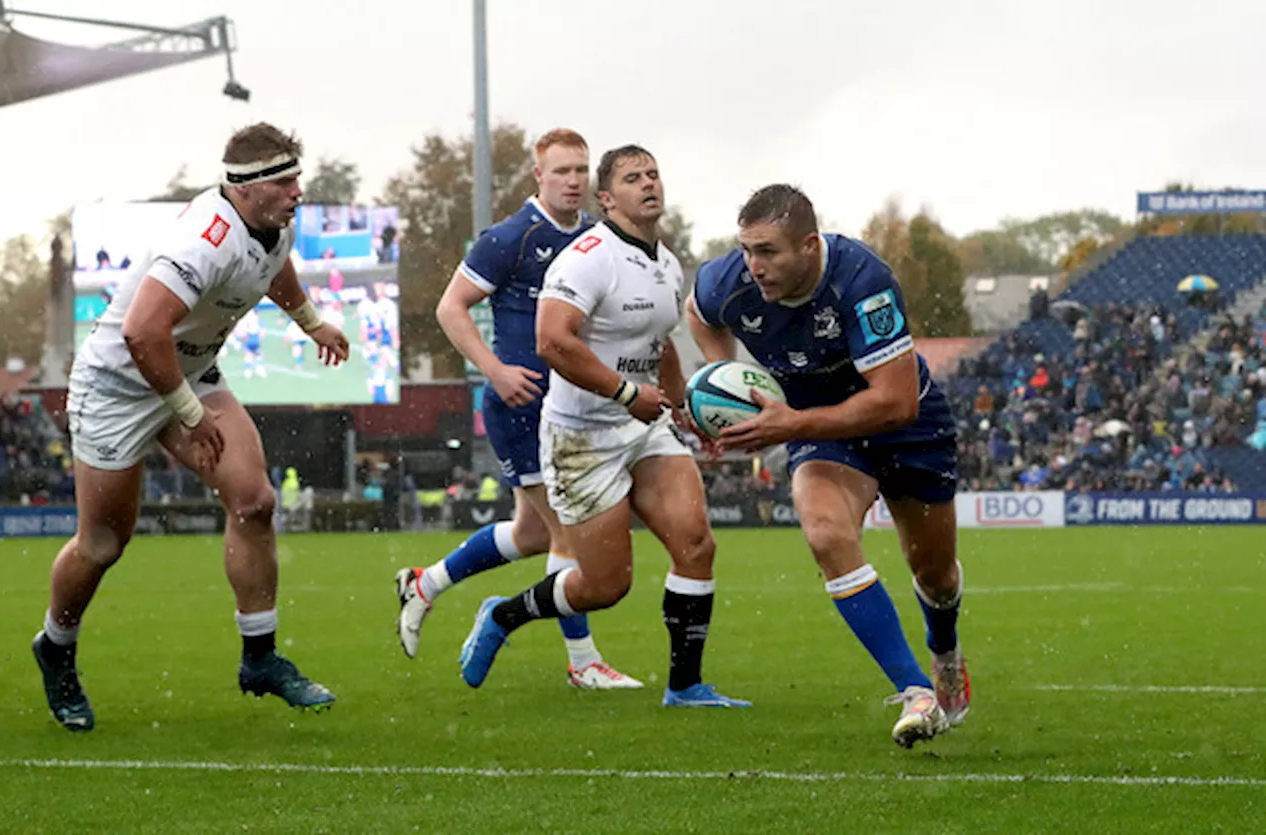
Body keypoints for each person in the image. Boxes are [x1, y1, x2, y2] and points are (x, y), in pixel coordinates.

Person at [33, 122, 349, 731]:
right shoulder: (204, 241)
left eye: (296, 177)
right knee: (103, 543)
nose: (298, 191)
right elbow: (142, 332)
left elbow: (273, 266)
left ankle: (259, 657)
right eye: (285, 181)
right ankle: (56, 647)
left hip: (187, 370)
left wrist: (311, 322)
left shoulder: (269, 223)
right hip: (118, 384)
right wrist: (190, 414)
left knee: (254, 501)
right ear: (248, 188)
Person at [456, 144, 748, 708]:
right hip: (580, 438)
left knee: (696, 545)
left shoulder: (666, 262)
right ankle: (504, 613)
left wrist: (686, 408)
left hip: (645, 427)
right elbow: (551, 341)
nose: (649, 184)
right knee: (605, 586)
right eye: (633, 178)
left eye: (654, 174)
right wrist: (621, 391)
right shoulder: (587, 256)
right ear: (607, 199)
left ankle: (686, 685)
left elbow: (658, 344)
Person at [686, 184, 968, 748]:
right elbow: (698, 313)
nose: (753, 266)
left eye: (768, 252)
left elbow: (895, 402)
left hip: (906, 425)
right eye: (746, 249)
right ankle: (915, 691)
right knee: (824, 531)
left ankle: (946, 654)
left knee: (933, 573)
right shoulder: (730, 280)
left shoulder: (863, 282)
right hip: (818, 425)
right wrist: (727, 382)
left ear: (810, 246)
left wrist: (790, 424)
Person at [393, 129, 641, 690]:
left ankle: (425, 583)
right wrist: (495, 370)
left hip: (574, 408)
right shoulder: (511, 237)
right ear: (538, 175)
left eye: (581, 170)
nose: (573, 181)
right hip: (524, 406)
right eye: (562, 172)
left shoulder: (598, 237)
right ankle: (583, 663)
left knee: (532, 533)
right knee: (569, 536)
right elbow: (451, 307)